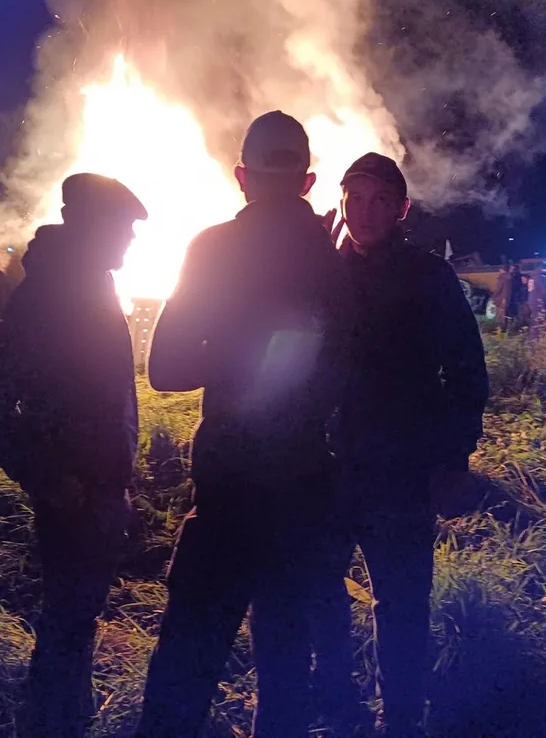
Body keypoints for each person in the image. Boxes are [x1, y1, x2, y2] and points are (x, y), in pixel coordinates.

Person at [135, 112, 348, 738]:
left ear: (241, 177)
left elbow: (167, 368)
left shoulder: (211, 248)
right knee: (286, 670)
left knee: (185, 664)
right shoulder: (336, 264)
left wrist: (236, 355)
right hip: (307, 497)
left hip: (227, 492)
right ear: (309, 181)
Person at [312, 153, 490, 738]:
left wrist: (452, 455)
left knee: (403, 603)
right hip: (328, 469)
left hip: (401, 470)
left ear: (401, 209)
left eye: (380, 200)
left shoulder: (426, 277)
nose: (365, 212)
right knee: (322, 593)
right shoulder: (321, 272)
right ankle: (341, 707)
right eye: (354, 199)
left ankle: (403, 719)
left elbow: (466, 371)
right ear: (340, 204)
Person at [0, 173, 147, 738]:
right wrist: (46, 476)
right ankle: (53, 723)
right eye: (125, 227)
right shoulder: (49, 295)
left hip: (100, 493)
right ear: (93, 225)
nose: (132, 240)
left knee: (75, 621)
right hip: (74, 498)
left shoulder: (88, 284)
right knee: (67, 622)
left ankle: (64, 719)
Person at [525, 261, 546, 329]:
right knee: (539, 319)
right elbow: (544, 291)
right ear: (544, 269)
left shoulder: (533, 276)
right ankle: (537, 337)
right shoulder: (541, 277)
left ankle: (533, 336)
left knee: (534, 318)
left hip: (531, 300)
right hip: (539, 301)